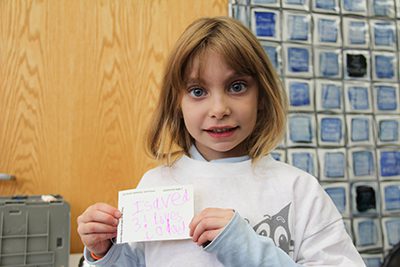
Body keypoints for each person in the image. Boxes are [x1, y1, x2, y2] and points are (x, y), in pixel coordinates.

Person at [77, 16, 365, 267]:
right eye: (198, 91)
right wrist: (103, 253)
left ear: (261, 97)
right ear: (176, 103)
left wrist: (245, 248)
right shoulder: (155, 185)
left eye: (236, 87)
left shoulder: (298, 190)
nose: (219, 109)